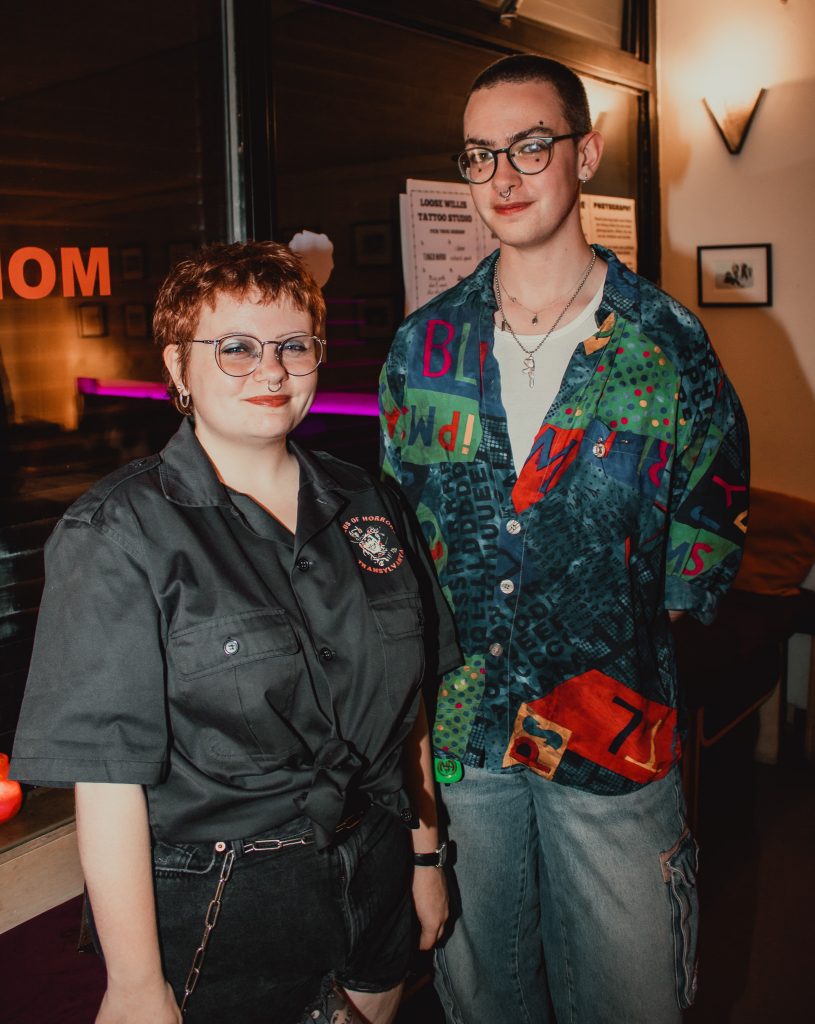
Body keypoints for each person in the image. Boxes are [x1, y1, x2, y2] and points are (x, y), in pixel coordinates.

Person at [379, 55, 749, 1024]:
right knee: (482, 1002)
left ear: (582, 154)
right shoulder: (422, 351)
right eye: (478, 155)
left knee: (634, 1002)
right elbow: (400, 548)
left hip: (612, 743)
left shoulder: (664, 347)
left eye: (528, 146)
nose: (501, 177)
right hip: (462, 746)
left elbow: (700, 546)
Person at [11, 241, 461, 1024]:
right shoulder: (118, 534)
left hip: (377, 869)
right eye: (236, 348)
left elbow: (407, 708)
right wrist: (134, 981)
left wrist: (426, 856)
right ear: (179, 370)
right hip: (225, 903)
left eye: (293, 345)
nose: (273, 370)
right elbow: (110, 782)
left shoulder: (369, 503)